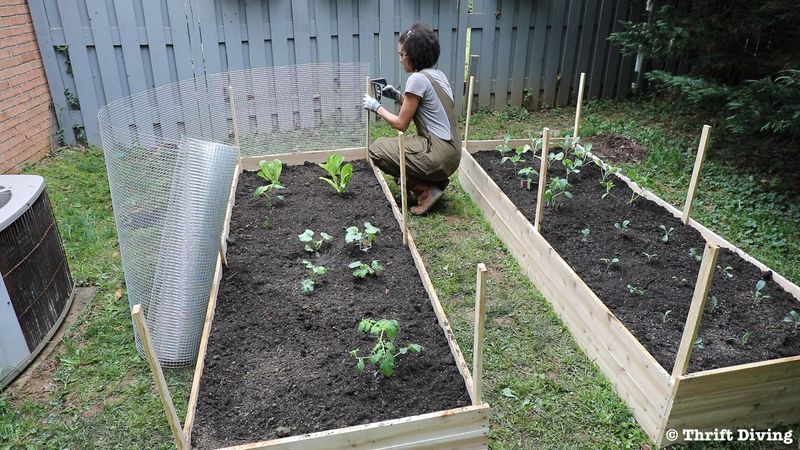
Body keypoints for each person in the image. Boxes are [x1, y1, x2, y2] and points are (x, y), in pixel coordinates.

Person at [362, 22, 461, 215]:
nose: (400, 59)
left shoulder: (416, 79)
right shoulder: (438, 75)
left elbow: (401, 124)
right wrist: (399, 97)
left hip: (438, 153)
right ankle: (436, 180)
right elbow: (426, 109)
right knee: (394, 149)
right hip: (453, 153)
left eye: (402, 54)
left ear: (414, 55)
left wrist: (376, 107)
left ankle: (426, 190)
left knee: (377, 150)